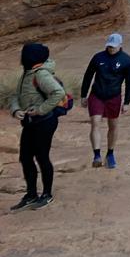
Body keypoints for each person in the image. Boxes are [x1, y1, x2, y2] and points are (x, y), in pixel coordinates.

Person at [8, 42, 66, 211]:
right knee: (25, 158)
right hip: (30, 123)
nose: (22, 57)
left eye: (24, 55)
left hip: (44, 122)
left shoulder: (41, 74)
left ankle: (46, 195)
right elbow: (16, 95)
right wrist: (15, 109)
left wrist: (41, 110)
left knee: (41, 157)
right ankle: (31, 194)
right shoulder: (27, 72)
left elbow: (58, 93)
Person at [80, 32, 130, 169]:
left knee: (113, 125)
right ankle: (97, 155)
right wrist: (83, 95)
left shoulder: (127, 60)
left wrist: (127, 102)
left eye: (114, 47)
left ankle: (110, 153)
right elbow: (88, 76)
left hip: (114, 96)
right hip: (97, 94)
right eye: (109, 46)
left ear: (120, 45)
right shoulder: (98, 57)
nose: (111, 49)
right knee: (95, 123)